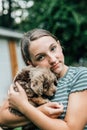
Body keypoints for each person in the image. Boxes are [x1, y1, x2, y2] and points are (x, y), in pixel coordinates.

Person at [1, 28, 87, 130]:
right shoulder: (29, 80)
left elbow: (72, 128)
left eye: (53, 48)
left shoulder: (80, 76)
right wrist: (42, 111)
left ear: (59, 45)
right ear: (31, 63)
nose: (52, 59)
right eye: (41, 57)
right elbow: (2, 118)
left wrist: (24, 107)